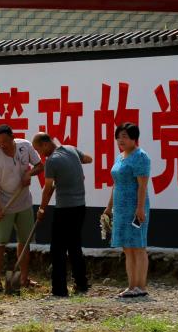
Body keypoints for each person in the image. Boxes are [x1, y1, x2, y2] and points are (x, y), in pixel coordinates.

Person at [0, 124, 44, 293]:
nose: (1, 145)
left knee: (24, 242)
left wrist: (29, 174)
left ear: (12, 138)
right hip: (4, 204)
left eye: (4, 141)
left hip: (24, 202)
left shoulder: (25, 146)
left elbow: (40, 166)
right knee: (0, 242)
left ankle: (24, 278)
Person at [32, 133, 92, 297]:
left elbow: (48, 188)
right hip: (80, 206)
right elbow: (88, 159)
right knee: (74, 246)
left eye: (38, 149)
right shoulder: (71, 149)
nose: (39, 154)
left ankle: (59, 289)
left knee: (58, 249)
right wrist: (74, 170)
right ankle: (81, 284)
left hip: (65, 209)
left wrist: (41, 209)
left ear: (45, 144)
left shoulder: (52, 161)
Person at [103, 122, 151, 298]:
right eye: (118, 136)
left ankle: (141, 286)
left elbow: (142, 186)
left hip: (135, 207)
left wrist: (139, 208)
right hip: (121, 208)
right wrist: (109, 207)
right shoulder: (120, 157)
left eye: (125, 136)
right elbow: (115, 184)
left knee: (138, 246)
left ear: (134, 138)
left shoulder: (141, 156)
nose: (120, 140)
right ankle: (131, 286)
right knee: (127, 247)